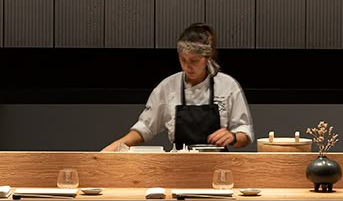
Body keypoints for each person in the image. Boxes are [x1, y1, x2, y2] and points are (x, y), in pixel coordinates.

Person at [102, 23, 253, 151]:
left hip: (219, 168)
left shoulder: (228, 86)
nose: (187, 66)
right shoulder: (167, 87)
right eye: (183, 60)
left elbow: (244, 133)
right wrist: (114, 147)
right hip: (178, 166)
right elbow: (145, 128)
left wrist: (232, 137)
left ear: (207, 58)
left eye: (194, 61)